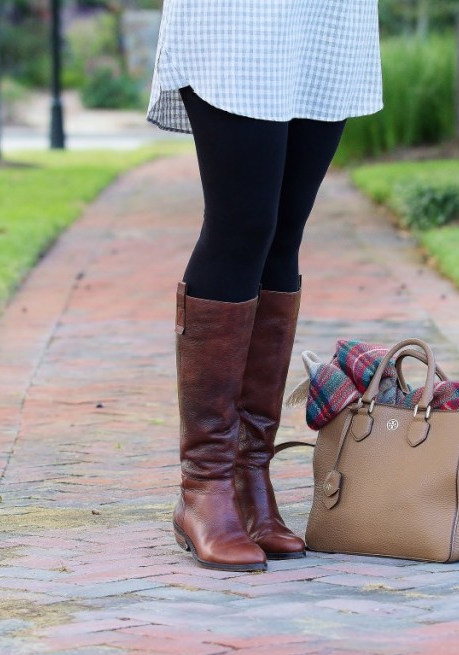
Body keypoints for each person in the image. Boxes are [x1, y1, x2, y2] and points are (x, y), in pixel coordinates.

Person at [147, 1, 383, 572]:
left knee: (283, 232)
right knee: (242, 224)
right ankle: (204, 486)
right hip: (244, 18)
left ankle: (251, 476)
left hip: (327, 16)